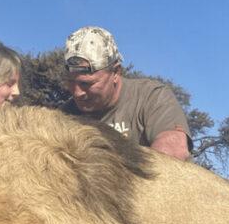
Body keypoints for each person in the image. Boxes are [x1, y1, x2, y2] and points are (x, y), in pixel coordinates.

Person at [60, 26, 192, 161]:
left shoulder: (152, 96)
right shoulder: (66, 114)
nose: (77, 93)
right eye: (70, 82)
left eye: (86, 84)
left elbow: (174, 151)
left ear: (116, 73)